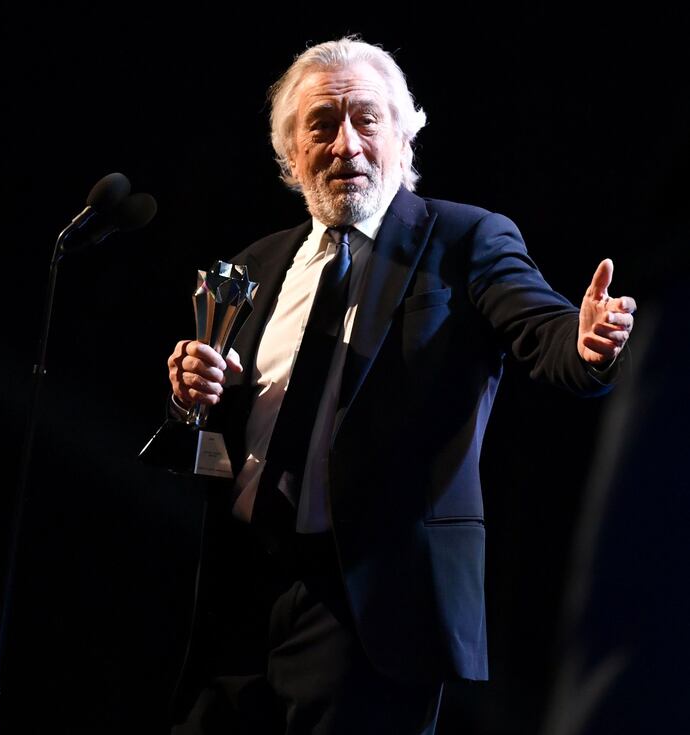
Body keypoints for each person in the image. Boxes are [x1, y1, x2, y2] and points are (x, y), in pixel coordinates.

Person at [158, 37, 636, 735]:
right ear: (291, 154)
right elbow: (218, 419)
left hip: (370, 606)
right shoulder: (254, 263)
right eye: (322, 125)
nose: (346, 144)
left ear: (405, 138)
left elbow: (545, 332)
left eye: (367, 120)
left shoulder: (465, 239)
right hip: (242, 593)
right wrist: (189, 395)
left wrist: (588, 342)